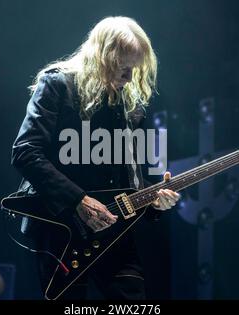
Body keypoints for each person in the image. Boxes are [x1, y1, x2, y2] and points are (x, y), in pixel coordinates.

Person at [11, 16, 181, 300]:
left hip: (115, 231)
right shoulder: (58, 85)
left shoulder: (129, 105)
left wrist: (154, 203)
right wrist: (78, 200)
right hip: (61, 228)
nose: (129, 78)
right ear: (102, 58)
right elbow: (25, 151)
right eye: (123, 68)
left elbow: (131, 180)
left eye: (134, 70)